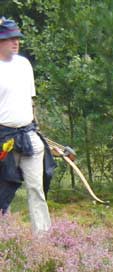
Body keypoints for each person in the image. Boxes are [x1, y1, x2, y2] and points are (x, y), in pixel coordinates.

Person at [0, 17, 54, 233]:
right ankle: (6, 238)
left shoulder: (24, 65)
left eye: (17, 38)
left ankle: (43, 240)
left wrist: (35, 127)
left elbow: (31, 101)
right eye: (10, 38)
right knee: (4, 190)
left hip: (29, 136)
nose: (16, 42)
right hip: (3, 138)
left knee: (36, 188)